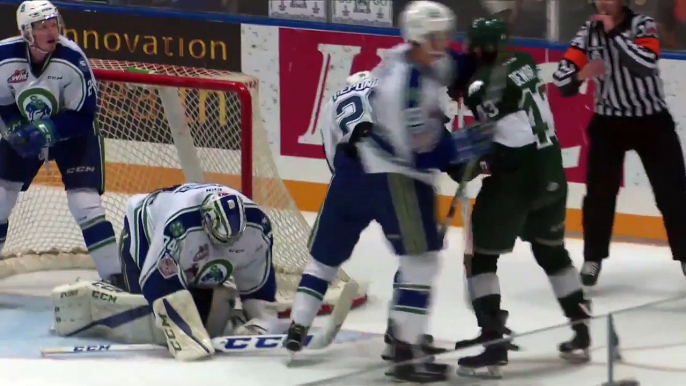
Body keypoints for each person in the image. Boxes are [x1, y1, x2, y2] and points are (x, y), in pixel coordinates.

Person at [283, 1, 489, 383]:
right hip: (393, 178)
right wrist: (467, 146)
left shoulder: (407, 60)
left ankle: (297, 328)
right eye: (437, 37)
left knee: (325, 259)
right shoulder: (402, 89)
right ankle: (405, 352)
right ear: (419, 38)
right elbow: (422, 149)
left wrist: (474, 57)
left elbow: (448, 67)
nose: (444, 42)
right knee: (420, 261)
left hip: (348, 171)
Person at [452, 18, 592, 379]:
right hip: (551, 171)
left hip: (518, 179)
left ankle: (493, 345)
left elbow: (508, 148)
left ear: (479, 48)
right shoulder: (525, 61)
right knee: (551, 251)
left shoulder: (482, 87)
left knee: (479, 260)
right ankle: (581, 330)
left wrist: (474, 164)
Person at [52, 183, 280, 361]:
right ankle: (91, 298)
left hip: (192, 239)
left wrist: (261, 317)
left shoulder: (256, 224)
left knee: (208, 315)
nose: (225, 247)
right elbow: (156, 282)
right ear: (205, 221)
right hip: (145, 225)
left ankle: (212, 311)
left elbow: (258, 282)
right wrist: (185, 333)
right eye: (220, 240)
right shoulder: (179, 223)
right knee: (148, 309)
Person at [554, 0, 686, 287]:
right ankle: (593, 258)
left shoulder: (643, 25)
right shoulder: (588, 32)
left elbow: (646, 63)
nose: (603, 2)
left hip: (651, 121)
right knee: (599, 196)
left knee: (673, 192)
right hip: (609, 123)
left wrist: (613, 34)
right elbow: (561, 79)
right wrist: (581, 75)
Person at [0, 1, 119, 281]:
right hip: (26, 129)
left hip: (72, 136)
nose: (51, 31)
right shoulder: (4, 56)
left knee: (85, 205)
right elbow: (3, 102)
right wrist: (16, 126)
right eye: (43, 27)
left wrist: (46, 130)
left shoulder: (73, 59)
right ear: (27, 32)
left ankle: (116, 279)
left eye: (53, 24)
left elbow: (84, 113)